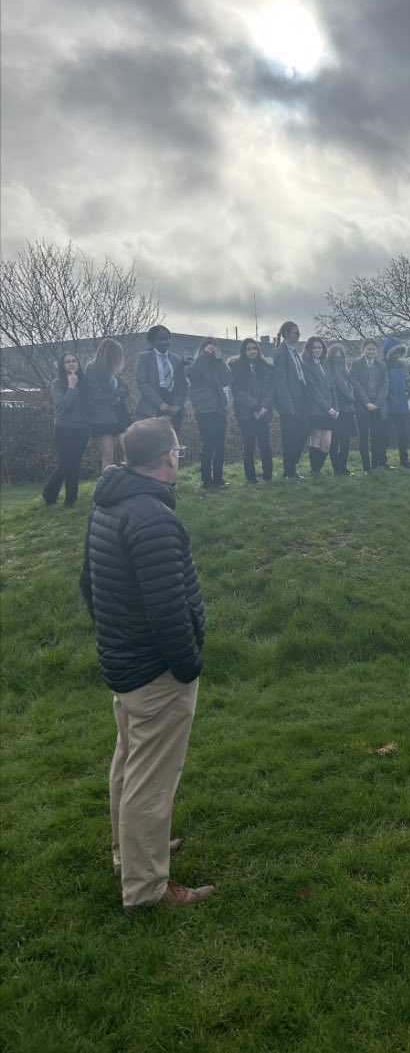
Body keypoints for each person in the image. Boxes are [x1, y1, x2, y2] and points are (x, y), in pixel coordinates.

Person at [80, 417, 213, 910]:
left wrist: (115, 635)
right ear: (170, 457)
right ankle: (146, 888)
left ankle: (130, 853)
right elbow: (168, 608)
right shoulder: (152, 516)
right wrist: (187, 664)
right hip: (154, 669)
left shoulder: (108, 505)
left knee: (129, 762)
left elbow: (88, 585)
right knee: (151, 780)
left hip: (124, 662)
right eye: (179, 451)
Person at [42, 350, 90, 507]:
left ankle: (71, 500)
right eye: (67, 361)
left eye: (74, 360)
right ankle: (49, 494)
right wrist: (71, 386)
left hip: (82, 429)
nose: (71, 363)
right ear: (62, 366)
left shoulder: (86, 383)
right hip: (63, 428)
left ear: (78, 363)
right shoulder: (57, 383)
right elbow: (64, 405)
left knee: (75, 464)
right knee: (65, 464)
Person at [187, 337, 231, 489]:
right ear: (203, 348)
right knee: (208, 444)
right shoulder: (196, 365)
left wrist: (219, 360)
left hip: (219, 410)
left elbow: (227, 380)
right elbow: (192, 375)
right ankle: (207, 480)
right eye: (210, 348)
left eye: (215, 348)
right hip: (204, 411)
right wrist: (204, 356)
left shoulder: (217, 365)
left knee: (220, 445)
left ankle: (218, 479)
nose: (213, 350)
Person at [228, 338, 274, 484]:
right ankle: (251, 478)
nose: (252, 351)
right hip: (246, 414)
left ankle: (268, 476)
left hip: (264, 413)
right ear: (244, 351)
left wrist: (264, 407)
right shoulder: (236, 368)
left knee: (265, 444)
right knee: (249, 445)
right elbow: (238, 392)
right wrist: (255, 408)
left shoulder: (266, 368)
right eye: (249, 349)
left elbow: (271, 390)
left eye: (254, 348)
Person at [85, 337, 130, 470]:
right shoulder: (92, 369)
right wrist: (115, 397)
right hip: (102, 418)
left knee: (129, 451)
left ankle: (129, 481)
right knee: (108, 455)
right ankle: (107, 485)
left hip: (120, 415)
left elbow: (125, 390)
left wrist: (117, 395)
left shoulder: (114, 370)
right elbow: (96, 394)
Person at [272, 320, 309, 480]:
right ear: (286, 333)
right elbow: (279, 381)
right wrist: (288, 405)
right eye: (295, 332)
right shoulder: (281, 352)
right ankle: (289, 471)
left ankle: (291, 466)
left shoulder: (293, 351)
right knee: (289, 437)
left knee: (304, 431)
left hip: (300, 400)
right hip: (289, 404)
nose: (298, 335)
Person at [135, 326, 188, 434]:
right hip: (153, 407)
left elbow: (184, 384)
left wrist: (178, 404)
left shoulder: (176, 359)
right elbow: (142, 383)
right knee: (154, 444)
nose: (164, 342)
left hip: (174, 408)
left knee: (172, 444)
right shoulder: (144, 358)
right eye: (160, 339)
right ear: (152, 341)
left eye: (167, 339)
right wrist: (160, 403)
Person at [302, 336, 339, 476]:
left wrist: (336, 408)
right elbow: (313, 391)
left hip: (330, 409)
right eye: (315, 347)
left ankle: (316, 469)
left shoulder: (325, 365)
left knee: (327, 443)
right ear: (309, 349)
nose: (317, 350)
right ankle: (315, 472)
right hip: (315, 409)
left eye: (320, 347)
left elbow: (332, 387)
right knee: (316, 439)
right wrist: (327, 408)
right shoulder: (306, 365)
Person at [351, 339, 389, 472]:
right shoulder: (356, 364)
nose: (371, 351)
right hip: (363, 407)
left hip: (378, 407)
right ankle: (366, 467)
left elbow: (385, 385)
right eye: (369, 349)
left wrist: (376, 403)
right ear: (363, 350)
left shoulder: (382, 365)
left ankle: (375, 465)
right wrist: (366, 402)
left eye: (374, 349)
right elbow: (355, 384)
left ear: (377, 351)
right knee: (363, 436)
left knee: (376, 436)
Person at [383, 337, 410, 468]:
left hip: (402, 405)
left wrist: (407, 391)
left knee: (403, 434)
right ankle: (382, 462)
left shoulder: (401, 365)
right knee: (386, 435)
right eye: (395, 352)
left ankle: (404, 460)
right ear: (389, 352)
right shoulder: (383, 364)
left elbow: (404, 383)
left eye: (399, 352)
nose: (397, 355)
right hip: (389, 405)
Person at [327, 343, 357, 476]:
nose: (338, 360)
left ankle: (343, 468)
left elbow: (350, 389)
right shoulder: (329, 371)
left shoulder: (346, 370)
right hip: (335, 410)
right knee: (334, 442)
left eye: (340, 358)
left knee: (345, 442)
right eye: (335, 357)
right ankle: (337, 469)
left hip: (347, 411)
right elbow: (342, 388)